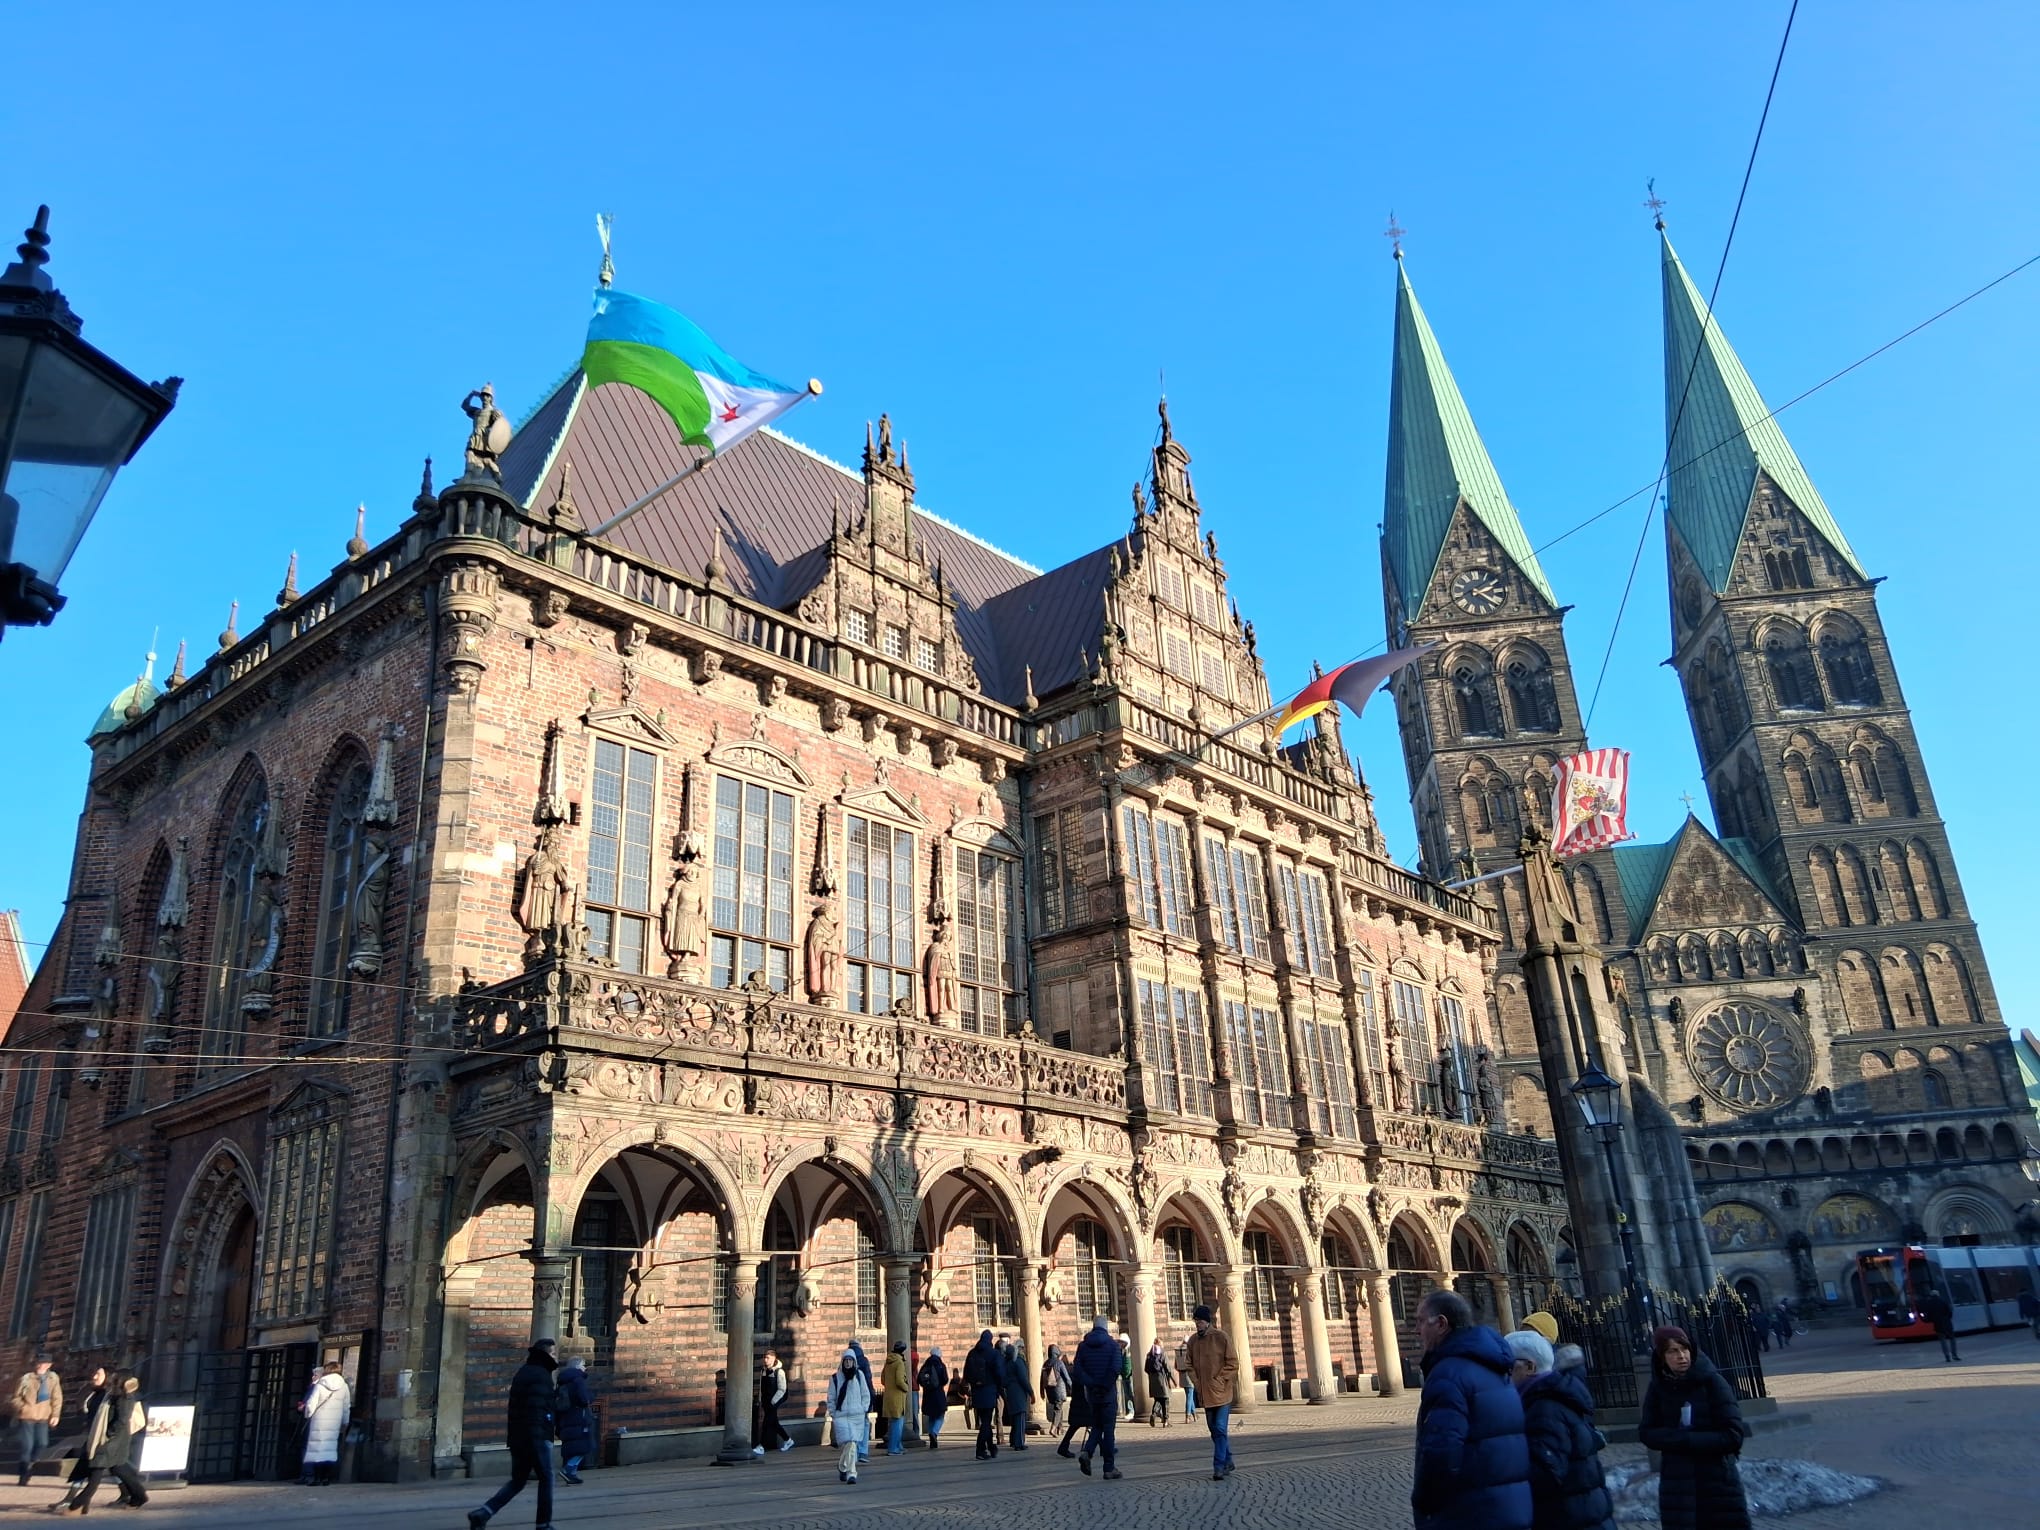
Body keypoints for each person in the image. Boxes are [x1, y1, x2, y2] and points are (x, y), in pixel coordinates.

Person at [1411, 1289, 1531, 1530]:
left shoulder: (1448, 1375)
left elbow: (1441, 1454)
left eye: (1421, 1321)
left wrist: (1424, 1504)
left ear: (1441, 1324)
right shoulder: (1497, 1368)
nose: (1417, 1330)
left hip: (1470, 1512)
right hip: (1509, 1508)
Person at [1637, 1325, 1751, 1530]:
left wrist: (1688, 1440)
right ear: (1662, 1357)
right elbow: (1646, 1432)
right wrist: (1674, 1438)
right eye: (1673, 1351)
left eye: (1684, 1349)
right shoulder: (1658, 1387)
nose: (1681, 1356)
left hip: (1717, 1483)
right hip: (1677, 1485)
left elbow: (1733, 1435)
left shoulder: (1713, 1383)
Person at [1521, 1341, 1614, 1530]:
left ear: (1530, 1366)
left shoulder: (1545, 1406)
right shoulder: (1560, 1394)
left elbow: (1547, 1471)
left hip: (1571, 1514)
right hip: (1586, 1511)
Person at [467, 1338, 558, 1530]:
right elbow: (536, 1410)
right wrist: (540, 1437)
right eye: (553, 1353)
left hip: (518, 1437)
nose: (555, 1356)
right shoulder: (541, 1375)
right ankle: (543, 1524)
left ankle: (483, 1513)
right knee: (547, 1478)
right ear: (545, 1354)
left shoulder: (523, 1372)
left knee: (518, 1481)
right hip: (536, 1437)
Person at [68, 1372, 149, 1515]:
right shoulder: (112, 1395)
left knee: (97, 1469)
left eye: (114, 1379)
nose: (111, 1380)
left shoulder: (124, 1397)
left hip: (112, 1440)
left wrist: (109, 1433)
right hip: (110, 1439)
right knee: (118, 1469)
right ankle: (139, 1495)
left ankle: (78, 1504)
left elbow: (122, 1420)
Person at [1182, 1303, 1239, 1483]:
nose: (1197, 1324)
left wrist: (1220, 1379)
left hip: (1222, 1393)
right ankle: (1228, 1460)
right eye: (1195, 1321)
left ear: (1207, 1322)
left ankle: (1218, 1466)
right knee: (1214, 1431)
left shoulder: (1221, 1337)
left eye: (1199, 1321)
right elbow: (1188, 1364)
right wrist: (1197, 1382)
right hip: (1204, 1393)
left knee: (1220, 1429)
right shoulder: (1193, 1341)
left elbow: (1233, 1363)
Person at [48, 1367, 111, 1513]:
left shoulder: (108, 1396)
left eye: (98, 1374)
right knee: (83, 1467)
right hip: (92, 1437)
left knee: (117, 1469)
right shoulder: (94, 1393)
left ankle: (133, 1494)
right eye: (94, 1374)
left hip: (104, 1439)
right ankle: (71, 1498)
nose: (94, 1377)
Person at [1069, 1314, 1123, 1479]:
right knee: (1108, 1430)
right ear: (1106, 1327)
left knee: (1097, 1426)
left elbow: (1078, 1370)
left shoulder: (1083, 1346)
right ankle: (1109, 1468)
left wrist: (1091, 1384)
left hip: (1092, 1395)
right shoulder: (1113, 1346)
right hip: (1107, 1394)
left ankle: (1087, 1452)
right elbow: (1115, 1368)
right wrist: (1104, 1386)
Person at [297, 1359, 351, 1486]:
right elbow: (346, 1406)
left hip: (319, 1421)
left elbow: (311, 1403)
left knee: (316, 1449)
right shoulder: (344, 1386)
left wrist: (307, 1414)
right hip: (334, 1422)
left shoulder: (320, 1384)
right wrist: (345, 1421)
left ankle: (316, 1478)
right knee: (329, 1449)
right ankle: (326, 1478)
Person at [13, 1355, 62, 1488]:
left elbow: (57, 1398)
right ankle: (23, 1475)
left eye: (45, 1363)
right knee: (27, 1446)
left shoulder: (52, 1379)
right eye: (39, 1363)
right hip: (27, 1417)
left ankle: (31, 1464)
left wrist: (55, 1415)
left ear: (49, 1365)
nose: (41, 1365)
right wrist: (23, 1408)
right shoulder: (26, 1378)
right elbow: (16, 1397)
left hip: (43, 1417)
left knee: (42, 1443)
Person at [826, 1349, 871, 1485]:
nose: (848, 1363)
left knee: (852, 1444)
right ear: (842, 1361)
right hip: (841, 1416)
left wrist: (863, 1408)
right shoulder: (835, 1378)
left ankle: (842, 1466)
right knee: (849, 1443)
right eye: (846, 1360)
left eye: (850, 1360)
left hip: (856, 1415)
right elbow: (831, 1398)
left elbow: (865, 1394)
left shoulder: (859, 1376)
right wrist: (833, 1413)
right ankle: (852, 1473)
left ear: (854, 1362)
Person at [554, 1356, 596, 1479]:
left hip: (566, 1418)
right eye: (583, 1365)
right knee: (585, 1446)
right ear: (577, 1366)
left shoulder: (562, 1381)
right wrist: (591, 1396)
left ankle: (572, 1474)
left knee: (573, 1447)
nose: (585, 1368)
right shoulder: (578, 1380)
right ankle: (568, 1469)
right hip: (579, 1418)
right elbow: (584, 1399)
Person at [963, 1330, 1002, 1460]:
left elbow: (966, 1374)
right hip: (989, 1390)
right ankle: (980, 1449)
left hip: (976, 1392)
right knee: (986, 1422)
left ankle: (991, 1447)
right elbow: (999, 1373)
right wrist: (1000, 1387)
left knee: (985, 1420)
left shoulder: (972, 1353)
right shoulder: (993, 1353)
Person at [755, 1350, 793, 1455]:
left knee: (766, 1423)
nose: (765, 1360)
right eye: (765, 1357)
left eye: (768, 1358)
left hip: (773, 1401)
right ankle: (788, 1440)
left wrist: (773, 1401)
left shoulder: (779, 1371)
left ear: (774, 1358)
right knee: (774, 1423)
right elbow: (761, 1387)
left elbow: (782, 1389)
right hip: (765, 1401)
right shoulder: (763, 1371)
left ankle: (761, 1446)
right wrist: (760, 1399)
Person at [998, 1338, 1031, 1450]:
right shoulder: (1018, 1361)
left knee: (1014, 1418)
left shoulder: (1006, 1363)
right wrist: (1031, 1392)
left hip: (1010, 1392)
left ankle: (1013, 1440)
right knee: (1020, 1417)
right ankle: (1019, 1443)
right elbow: (1023, 1379)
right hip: (1019, 1392)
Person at [1054, 1365, 1092, 1458]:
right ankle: (1103, 1448)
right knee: (1095, 1426)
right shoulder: (1084, 1375)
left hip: (1077, 1405)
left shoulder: (1077, 1373)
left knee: (1075, 1427)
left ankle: (1063, 1447)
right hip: (1083, 1406)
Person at [881, 1341, 911, 1455]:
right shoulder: (899, 1362)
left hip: (889, 1396)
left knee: (894, 1423)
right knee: (897, 1424)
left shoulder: (888, 1361)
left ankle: (899, 1446)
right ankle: (893, 1448)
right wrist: (906, 1387)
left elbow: (883, 1379)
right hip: (898, 1397)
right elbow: (899, 1380)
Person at [917, 1347, 950, 1449]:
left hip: (928, 1394)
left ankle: (931, 1436)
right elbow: (945, 1379)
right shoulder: (940, 1365)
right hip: (938, 1393)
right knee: (940, 1415)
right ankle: (934, 1432)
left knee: (931, 1416)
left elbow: (919, 1379)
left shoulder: (925, 1365)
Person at [846, 1340, 874, 1462]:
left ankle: (854, 1451)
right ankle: (863, 1451)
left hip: (850, 1400)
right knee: (864, 1424)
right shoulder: (864, 1360)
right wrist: (870, 1398)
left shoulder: (845, 1360)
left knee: (852, 1426)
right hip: (862, 1398)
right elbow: (868, 1380)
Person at [1919, 1286, 1959, 1362]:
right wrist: (1948, 1318)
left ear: (1931, 1295)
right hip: (1947, 1323)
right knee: (1952, 1339)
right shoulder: (1943, 1301)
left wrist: (1931, 1320)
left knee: (1943, 1340)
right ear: (1938, 1295)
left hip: (1937, 1324)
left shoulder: (1929, 1303)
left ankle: (1947, 1357)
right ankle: (1954, 1355)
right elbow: (1949, 1312)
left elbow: (1928, 1315)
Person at [1039, 1344, 1071, 1429]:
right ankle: (1053, 1428)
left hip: (1049, 1390)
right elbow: (1067, 1377)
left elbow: (1041, 1379)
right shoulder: (1059, 1362)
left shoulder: (1045, 1363)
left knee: (1058, 1407)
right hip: (1059, 1390)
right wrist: (1071, 1387)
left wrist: (1041, 1391)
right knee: (1058, 1409)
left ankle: (1060, 1428)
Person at [1143, 1339, 1173, 1426]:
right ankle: (1166, 1421)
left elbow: (1146, 1369)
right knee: (1165, 1399)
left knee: (1157, 1399)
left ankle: (1153, 1414)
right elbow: (1167, 1367)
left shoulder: (1149, 1354)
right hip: (1161, 1378)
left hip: (1152, 1380)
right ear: (1160, 1344)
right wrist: (1171, 1378)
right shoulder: (1162, 1353)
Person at [1177, 1337, 1198, 1422]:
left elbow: (1176, 1365)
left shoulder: (1178, 1351)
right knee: (1190, 1396)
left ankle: (1194, 1414)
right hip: (1189, 1375)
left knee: (1189, 1395)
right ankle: (1187, 1416)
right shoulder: (1190, 1350)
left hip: (1182, 1376)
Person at [1116, 1334, 1135, 1420]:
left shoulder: (1129, 1350)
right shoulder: (1121, 1351)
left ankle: (1132, 1411)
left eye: (1122, 1342)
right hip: (1124, 1375)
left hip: (1129, 1375)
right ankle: (1129, 1411)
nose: (1121, 1344)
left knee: (1130, 1393)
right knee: (1127, 1394)